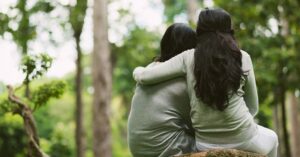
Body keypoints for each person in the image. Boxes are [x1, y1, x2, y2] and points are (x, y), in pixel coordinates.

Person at [133, 8, 278, 157]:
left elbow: (144, 77)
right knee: (273, 138)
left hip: (204, 143)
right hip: (244, 138)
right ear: (229, 30)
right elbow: (253, 107)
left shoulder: (188, 57)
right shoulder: (243, 57)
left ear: (199, 32)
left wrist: (138, 69)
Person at [128, 23, 197, 157]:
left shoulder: (150, 68)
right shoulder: (181, 82)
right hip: (164, 150)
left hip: (138, 150)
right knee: (212, 141)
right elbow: (197, 123)